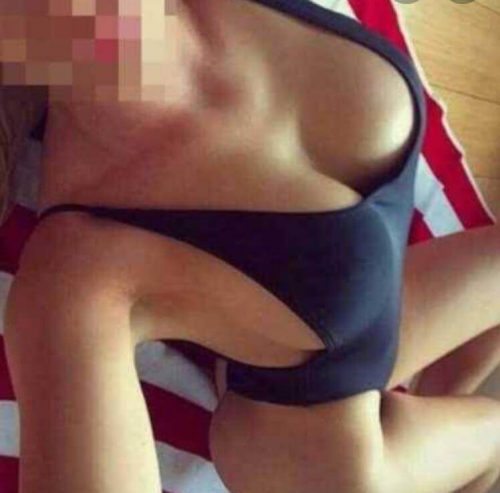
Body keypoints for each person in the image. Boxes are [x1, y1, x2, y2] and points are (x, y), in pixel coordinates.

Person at [2, 1, 500, 492]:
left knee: (285, 459)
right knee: (285, 434)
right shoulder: (78, 264)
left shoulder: (78, 266)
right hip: (367, 102)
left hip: (305, 294)